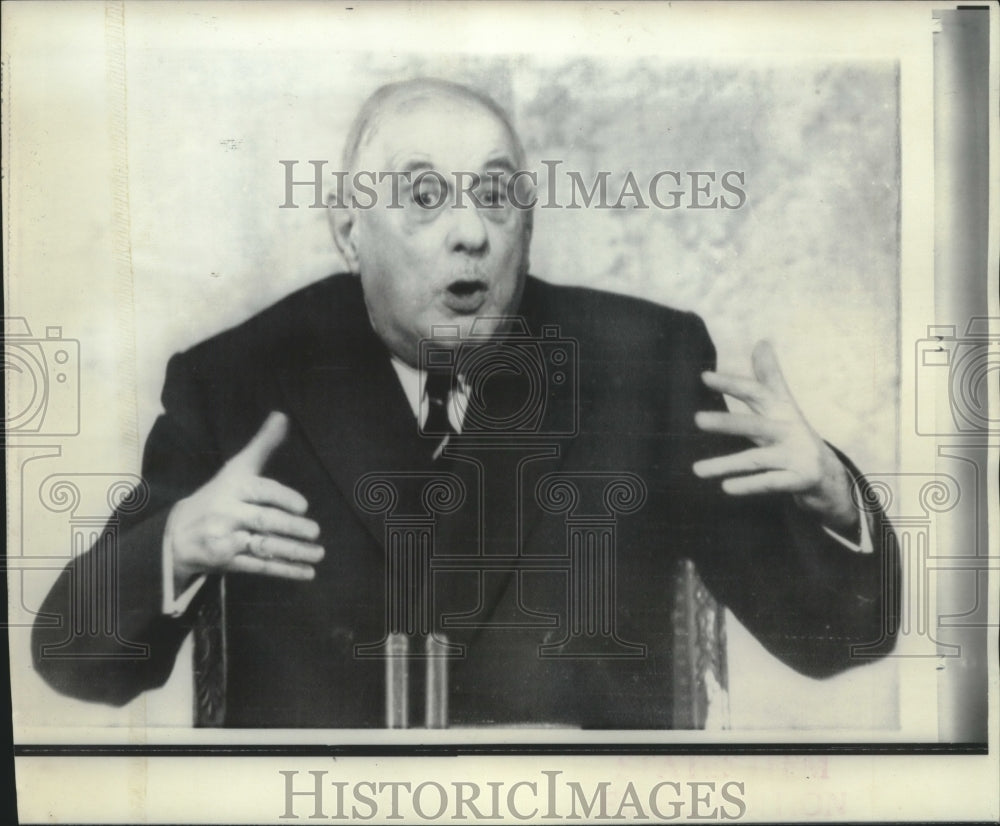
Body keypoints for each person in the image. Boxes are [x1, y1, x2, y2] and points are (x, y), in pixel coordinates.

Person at [32, 78, 898, 728]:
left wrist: (836, 499)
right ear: (346, 229)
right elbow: (76, 661)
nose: (470, 230)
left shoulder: (644, 363)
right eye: (422, 196)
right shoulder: (239, 379)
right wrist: (174, 547)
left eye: (494, 194)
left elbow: (836, 640)